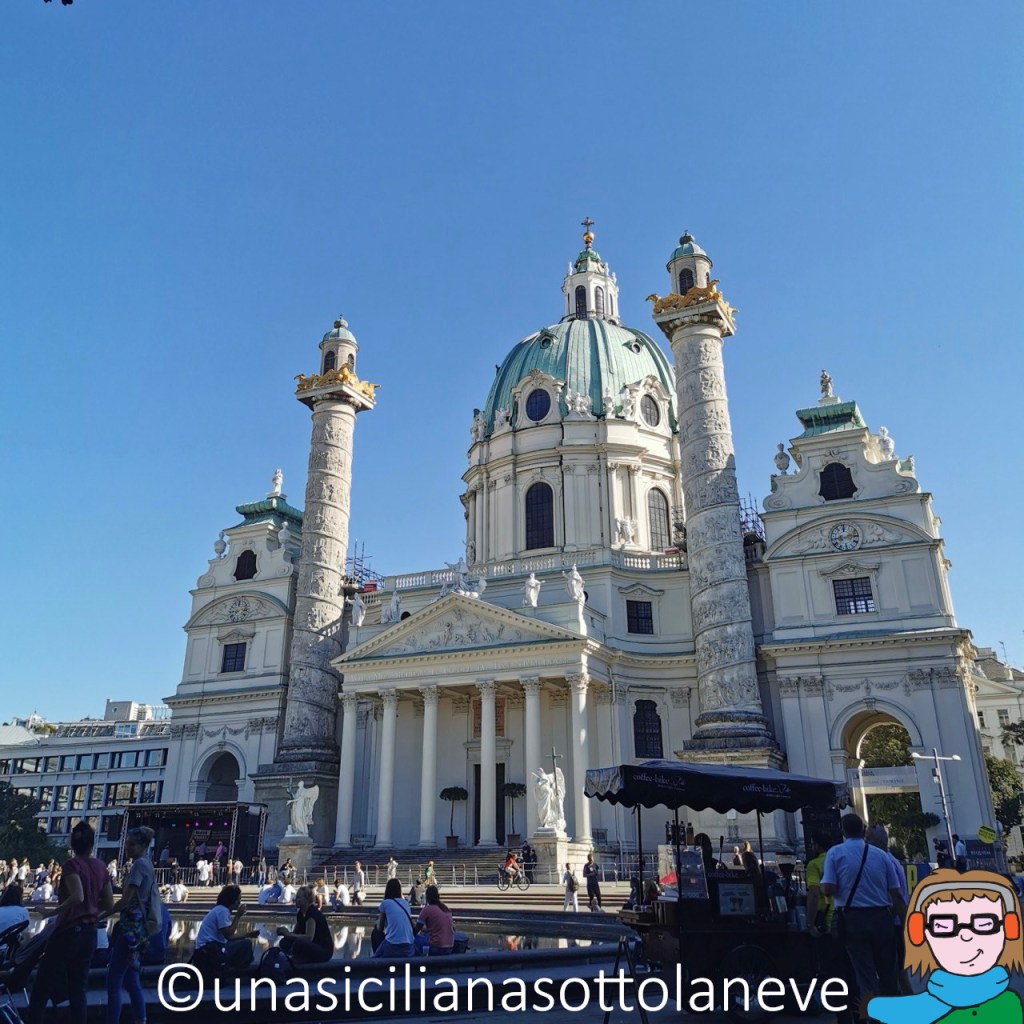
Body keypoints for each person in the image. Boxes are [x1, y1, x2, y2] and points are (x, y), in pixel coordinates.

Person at [868, 869, 1024, 1024]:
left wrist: (870, 1007)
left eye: (983, 924)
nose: (965, 936)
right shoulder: (1010, 1001)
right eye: (944, 926)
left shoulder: (932, 1003)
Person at [27, 822, 114, 1024]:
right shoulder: (101, 867)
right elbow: (109, 903)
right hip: (90, 933)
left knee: (42, 986)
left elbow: (77, 896)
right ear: (92, 844)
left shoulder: (71, 865)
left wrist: (50, 913)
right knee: (78, 987)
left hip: (68, 931)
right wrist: (93, 913)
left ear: (72, 844)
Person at [821, 813, 907, 1015]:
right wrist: (906, 924)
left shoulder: (835, 853)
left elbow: (828, 889)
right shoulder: (883, 857)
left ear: (843, 831)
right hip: (881, 918)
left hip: (853, 920)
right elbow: (896, 894)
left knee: (865, 974)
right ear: (862, 831)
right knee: (888, 972)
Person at [104, 825, 158, 1024]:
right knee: (131, 979)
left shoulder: (139, 866)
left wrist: (103, 914)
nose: (127, 847)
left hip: (130, 930)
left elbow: (125, 900)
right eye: (127, 843)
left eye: (131, 844)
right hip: (139, 930)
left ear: (143, 845)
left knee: (114, 980)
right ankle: (140, 1019)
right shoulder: (146, 864)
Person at [195, 885, 259, 970]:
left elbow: (229, 936)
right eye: (239, 899)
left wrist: (248, 934)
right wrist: (238, 916)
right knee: (246, 944)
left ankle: (231, 968)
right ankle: (236, 971)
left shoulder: (221, 909)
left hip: (211, 947)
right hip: (209, 950)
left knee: (244, 942)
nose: (239, 902)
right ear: (234, 900)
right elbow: (229, 935)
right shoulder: (222, 911)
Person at [276, 886, 333, 965]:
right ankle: (297, 957)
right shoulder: (300, 914)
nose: (296, 900)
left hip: (323, 950)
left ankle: (300, 959)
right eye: (296, 897)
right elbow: (295, 933)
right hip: (311, 946)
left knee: (299, 943)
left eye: (299, 898)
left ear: (307, 900)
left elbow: (309, 937)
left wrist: (289, 934)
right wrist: (285, 933)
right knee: (284, 942)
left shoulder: (312, 913)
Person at [373, 878, 414, 958]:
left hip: (392, 947)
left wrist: (376, 923)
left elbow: (380, 928)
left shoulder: (385, 903)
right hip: (409, 948)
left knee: (375, 932)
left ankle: (377, 957)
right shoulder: (405, 903)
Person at [806, 833, 835, 938]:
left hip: (826, 919)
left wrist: (810, 924)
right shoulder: (839, 861)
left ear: (818, 846)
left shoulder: (814, 864)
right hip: (845, 915)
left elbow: (814, 893)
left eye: (813, 844)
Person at [415, 884, 454, 956]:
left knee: (415, 940)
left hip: (436, 947)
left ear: (427, 897)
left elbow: (416, 930)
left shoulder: (427, 909)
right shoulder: (446, 909)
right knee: (425, 933)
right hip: (450, 947)